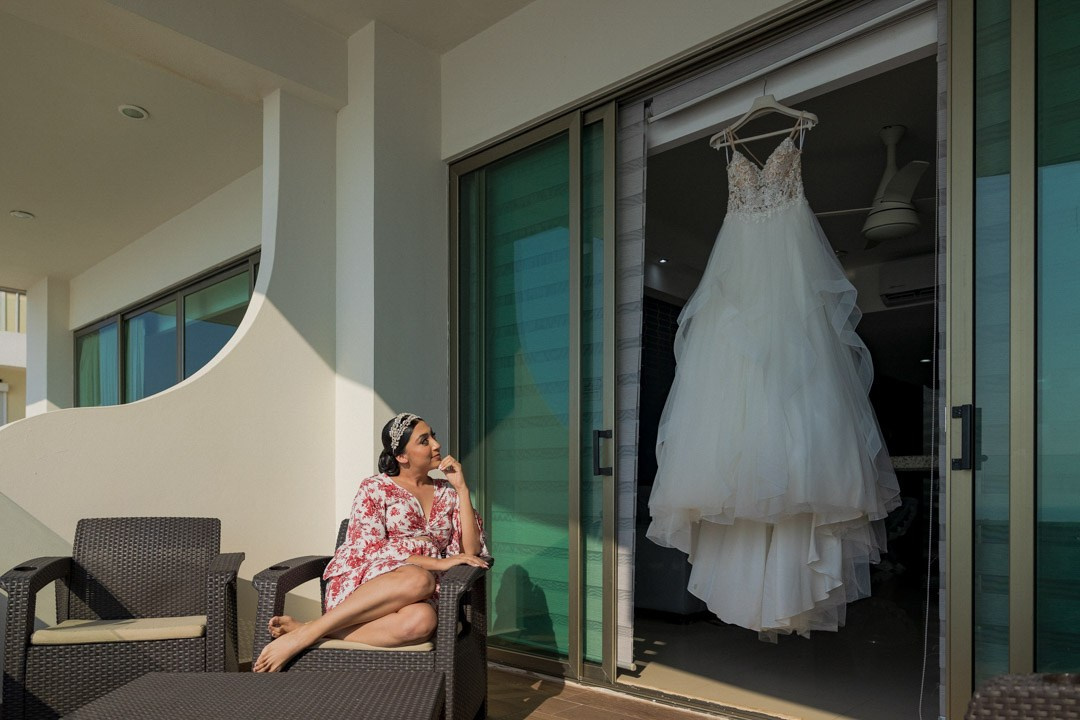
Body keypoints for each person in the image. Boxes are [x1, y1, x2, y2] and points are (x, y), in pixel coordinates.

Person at [253, 412, 489, 672]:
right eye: (424, 441)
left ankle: (310, 629)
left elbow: (471, 551)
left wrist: (462, 488)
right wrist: (435, 563)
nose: (436, 444)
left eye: (433, 436)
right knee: (418, 578)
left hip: (424, 595)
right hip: (368, 586)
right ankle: (306, 636)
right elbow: (368, 547)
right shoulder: (375, 488)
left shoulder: (447, 492)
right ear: (401, 456)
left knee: (422, 622)